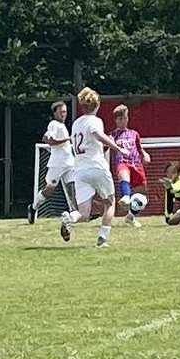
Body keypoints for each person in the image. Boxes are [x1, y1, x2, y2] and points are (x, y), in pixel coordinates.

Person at [66, 86, 130, 247]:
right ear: (97, 104)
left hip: (80, 169)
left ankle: (69, 218)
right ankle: (102, 239)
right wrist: (118, 148)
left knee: (84, 214)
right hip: (96, 166)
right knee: (110, 202)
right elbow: (97, 134)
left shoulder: (76, 123)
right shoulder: (95, 121)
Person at [29, 99, 79, 225]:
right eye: (61, 112)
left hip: (69, 163)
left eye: (65, 112)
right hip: (57, 164)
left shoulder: (63, 126)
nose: (63, 114)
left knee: (72, 186)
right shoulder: (53, 124)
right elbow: (47, 139)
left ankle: (74, 213)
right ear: (55, 113)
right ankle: (34, 207)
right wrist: (66, 140)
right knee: (49, 189)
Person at [110, 103, 151, 227]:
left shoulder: (134, 134)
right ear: (116, 120)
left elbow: (139, 148)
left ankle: (130, 216)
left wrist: (145, 155)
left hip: (136, 164)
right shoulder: (112, 135)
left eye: (125, 118)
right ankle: (126, 196)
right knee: (124, 175)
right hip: (122, 162)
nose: (123, 121)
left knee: (142, 196)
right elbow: (104, 147)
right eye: (120, 118)